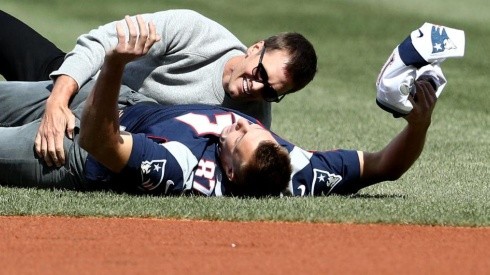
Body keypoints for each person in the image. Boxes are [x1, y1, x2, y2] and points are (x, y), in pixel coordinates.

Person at [0, 15, 439, 198]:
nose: (246, 122)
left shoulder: (180, 164)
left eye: (241, 134)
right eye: (258, 130)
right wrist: (418, 125)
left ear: (227, 169)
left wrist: (116, 66)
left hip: (84, 140)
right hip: (84, 87)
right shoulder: (294, 168)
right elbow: (382, 166)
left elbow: (100, 141)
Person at [0, 10, 318, 168]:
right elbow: (101, 42)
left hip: (96, 131)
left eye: (271, 91)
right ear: (255, 48)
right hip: (78, 84)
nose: (256, 87)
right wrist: (58, 101)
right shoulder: (195, 32)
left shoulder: (247, 123)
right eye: (260, 72)